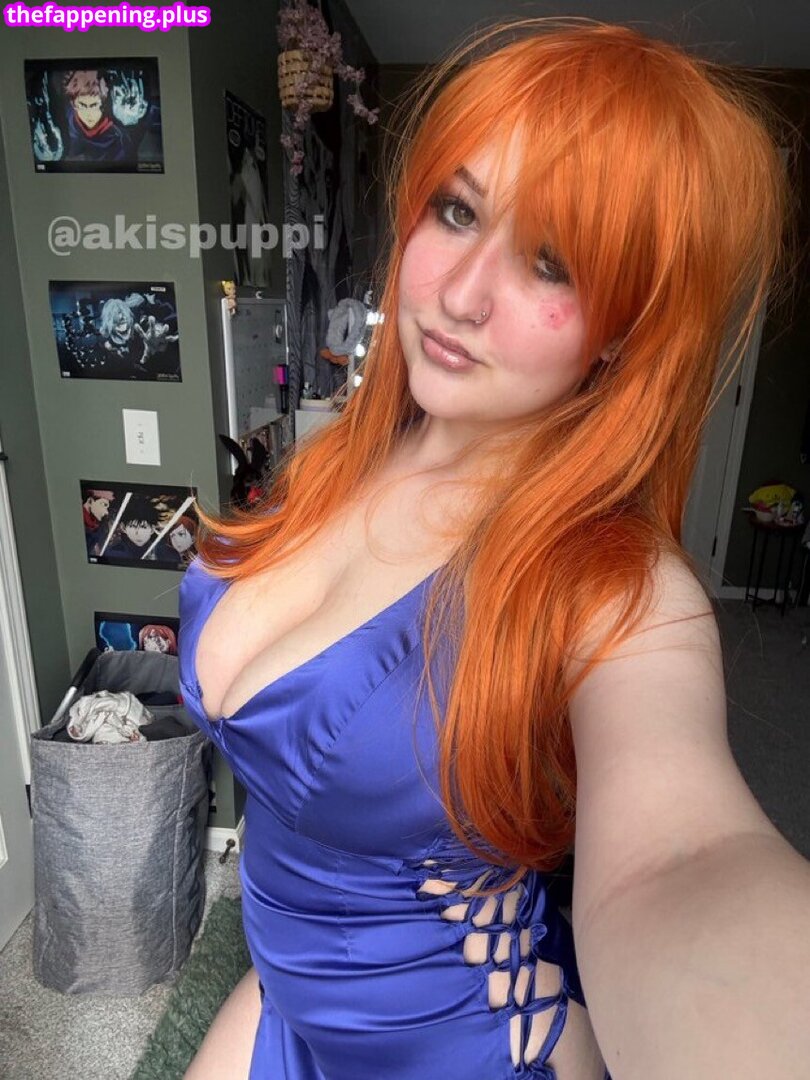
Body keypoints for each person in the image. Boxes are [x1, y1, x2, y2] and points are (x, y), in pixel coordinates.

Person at [178, 18, 810, 1080]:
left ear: (622, 327)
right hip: (289, 1004)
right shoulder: (330, 461)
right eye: (459, 210)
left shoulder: (616, 586)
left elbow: (685, 856)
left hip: (474, 1049)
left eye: (551, 264)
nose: (461, 294)